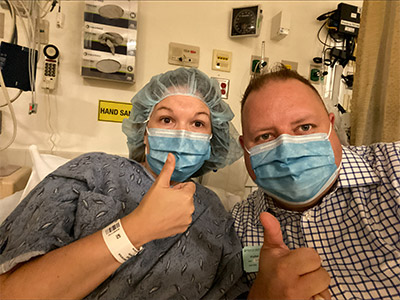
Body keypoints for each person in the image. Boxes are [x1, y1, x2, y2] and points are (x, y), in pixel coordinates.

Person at [0, 67, 249, 299]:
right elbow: (9, 290)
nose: (182, 134)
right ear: (144, 131)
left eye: (198, 123)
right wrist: (136, 229)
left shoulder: (215, 213)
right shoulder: (93, 171)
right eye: (166, 120)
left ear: (211, 143)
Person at [232, 65, 400, 299]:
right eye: (265, 136)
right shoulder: (238, 225)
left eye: (304, 127)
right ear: (244, 147)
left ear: (332, 125)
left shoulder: (394, 170)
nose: (287, 149)